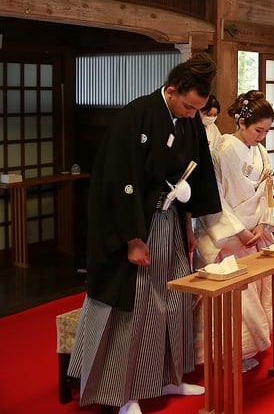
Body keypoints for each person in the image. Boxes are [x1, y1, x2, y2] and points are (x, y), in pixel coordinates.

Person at [67, 53, 222, 414]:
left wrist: (188, 220)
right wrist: (133, 239)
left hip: (168, 222)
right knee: (137, 305)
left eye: (195, 110)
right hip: (135, 224)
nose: (190, 114)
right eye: (187, 106)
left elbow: (196, 174)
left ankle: (168, 375)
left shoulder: (188, 121)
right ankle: (123, 393)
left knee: (176, 299)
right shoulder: (134, 116)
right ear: (171, 90)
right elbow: (120, 180)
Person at [193, 90, 274, 372]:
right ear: (241, 123)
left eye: (267, 131)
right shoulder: (223, 151)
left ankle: (245, 349)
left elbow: (268, 190)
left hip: (254, 231)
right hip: (228, 236)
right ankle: (221, 354)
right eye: (258, 130)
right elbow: (215, 198)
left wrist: (263, 222)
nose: (262, 136)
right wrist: (240, 231)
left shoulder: (261, 151)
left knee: (253, 292)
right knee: (232, 297)